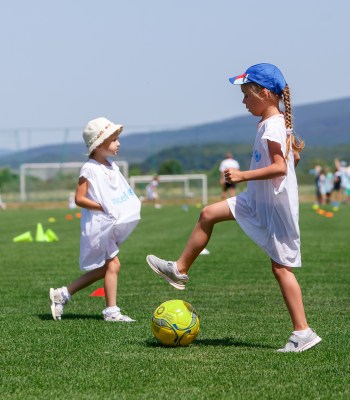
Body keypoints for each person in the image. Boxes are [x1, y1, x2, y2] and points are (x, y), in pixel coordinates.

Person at [146, 63, 321, 352]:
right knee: (207, 214)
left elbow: (279, 167)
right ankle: (179, 269)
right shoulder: (271, 123)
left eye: (246, 95)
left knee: (281, 269)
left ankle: (303, 332)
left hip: (274, 208)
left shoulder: (274, 125)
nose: (243, 102)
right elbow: (289, 162)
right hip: (256, 200)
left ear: (264, 94)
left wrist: (243, 175)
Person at [50, 117, 141, 322]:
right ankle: (111, 312)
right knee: (113, 265)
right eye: (114, 140)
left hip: (109, 223)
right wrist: (103, 207)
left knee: (107, 267)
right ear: (100, 145)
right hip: (99, 225)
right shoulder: (89, 169)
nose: (119, 143)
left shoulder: (110, 165)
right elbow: (79, 198)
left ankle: (63, 294)